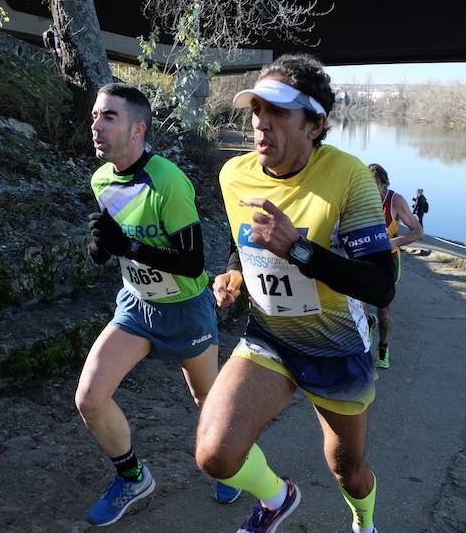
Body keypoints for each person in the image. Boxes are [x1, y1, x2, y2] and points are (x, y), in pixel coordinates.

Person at [196, 54, 396, 533]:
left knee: (346, 468)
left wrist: (301, 251)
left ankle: (363, 521)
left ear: (315, 123)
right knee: (215, 455)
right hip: (270, 338)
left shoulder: (349, 179)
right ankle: (278, 496)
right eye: (256, 110)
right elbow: (241, 245)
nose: (261, 122)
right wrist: (233, 276)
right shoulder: (234, 176)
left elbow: (379, 282)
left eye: (278, 111)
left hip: (336, 347)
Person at [78, 82, 239, 527]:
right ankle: (133, 478)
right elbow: (116, 239)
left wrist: (125, 245)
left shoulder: (168, 181)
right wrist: (101, 247)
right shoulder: (101, 179)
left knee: (207, 398)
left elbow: (191, 264)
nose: (96, 125)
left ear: (137, 129)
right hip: (134, 305)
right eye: (95, 115)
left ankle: (234, 463)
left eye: (109, 117)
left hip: (186, 308)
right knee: (89, 398)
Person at [367, 164, 423, 369]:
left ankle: (383, 347)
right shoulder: (359, 197)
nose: (369, 191)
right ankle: (367, 326)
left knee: (384, 311)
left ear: (383, 184)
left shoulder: (395, 201)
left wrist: (394, 242)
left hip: (387, 261)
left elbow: (417, 231)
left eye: (373, 186)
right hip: (363, 258)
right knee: (358, 307)